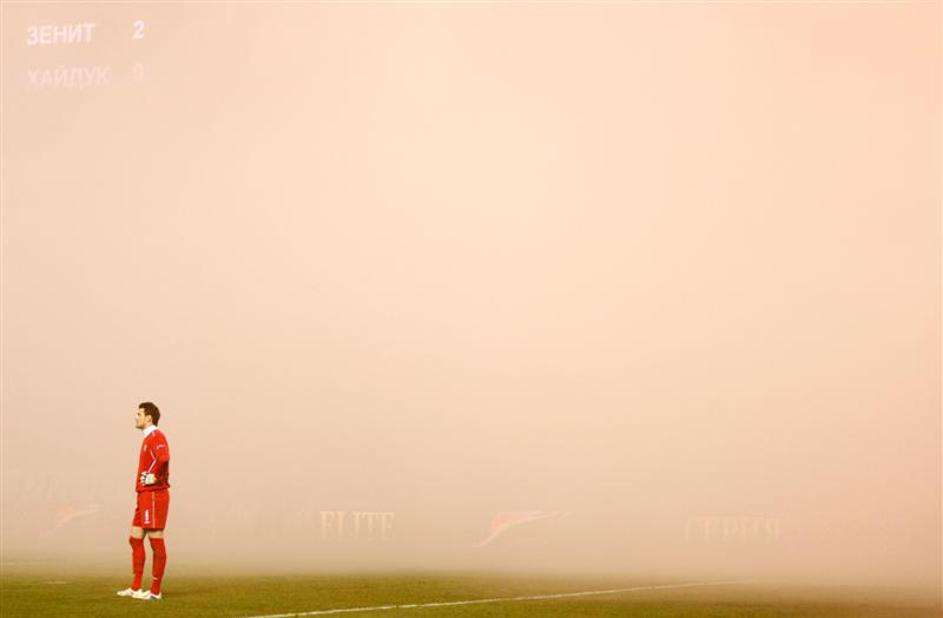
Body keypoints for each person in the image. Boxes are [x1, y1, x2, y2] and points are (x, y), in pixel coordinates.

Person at [116, 402, 170, 601]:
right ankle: (136, 587)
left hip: (155, 495)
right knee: (135, 538)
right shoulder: (147, 438)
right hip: (144, 494)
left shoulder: (157, 436)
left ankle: (155, 591)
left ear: (149, 417)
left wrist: (154, 475)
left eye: (139, 414)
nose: (135, 417)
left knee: (156, 540)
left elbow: (164, 457)